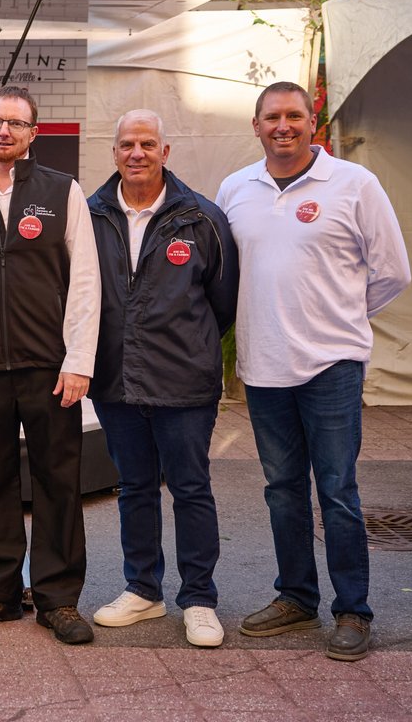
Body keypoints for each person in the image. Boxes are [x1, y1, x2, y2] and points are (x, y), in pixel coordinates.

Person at [216, 81, 411, 662]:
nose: (284, 126)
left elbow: (392, 272)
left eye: (294, 116)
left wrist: (341, 318)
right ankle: (296, 596)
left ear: (312, 122)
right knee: (282, 491)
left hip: (331, 365)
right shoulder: (235, 189)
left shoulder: (355, 184)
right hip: (264, 364)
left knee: (338, 492)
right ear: (256, 125)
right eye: (272, 117)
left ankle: (352, 609)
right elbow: (225, 273)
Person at [0, 85, 100, 645]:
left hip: (49, 366)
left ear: (34, 132)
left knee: (58, 480)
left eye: (15, 123)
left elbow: (85, 283)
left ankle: (57, 598)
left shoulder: (61, 192)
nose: (3, 131)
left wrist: (79, 361)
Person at [86, 109, 238, 648]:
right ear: (115, 152)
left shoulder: (202, 219)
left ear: (165, 152)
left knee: (192, 489)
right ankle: (143, 590)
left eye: (147, 143)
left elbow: (223, 304)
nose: (137, 153)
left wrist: (182, 348)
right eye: (127, 144)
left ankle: (199, 599)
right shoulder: (91, 215)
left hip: (184, 384)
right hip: (116, 381)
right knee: (134, 488)